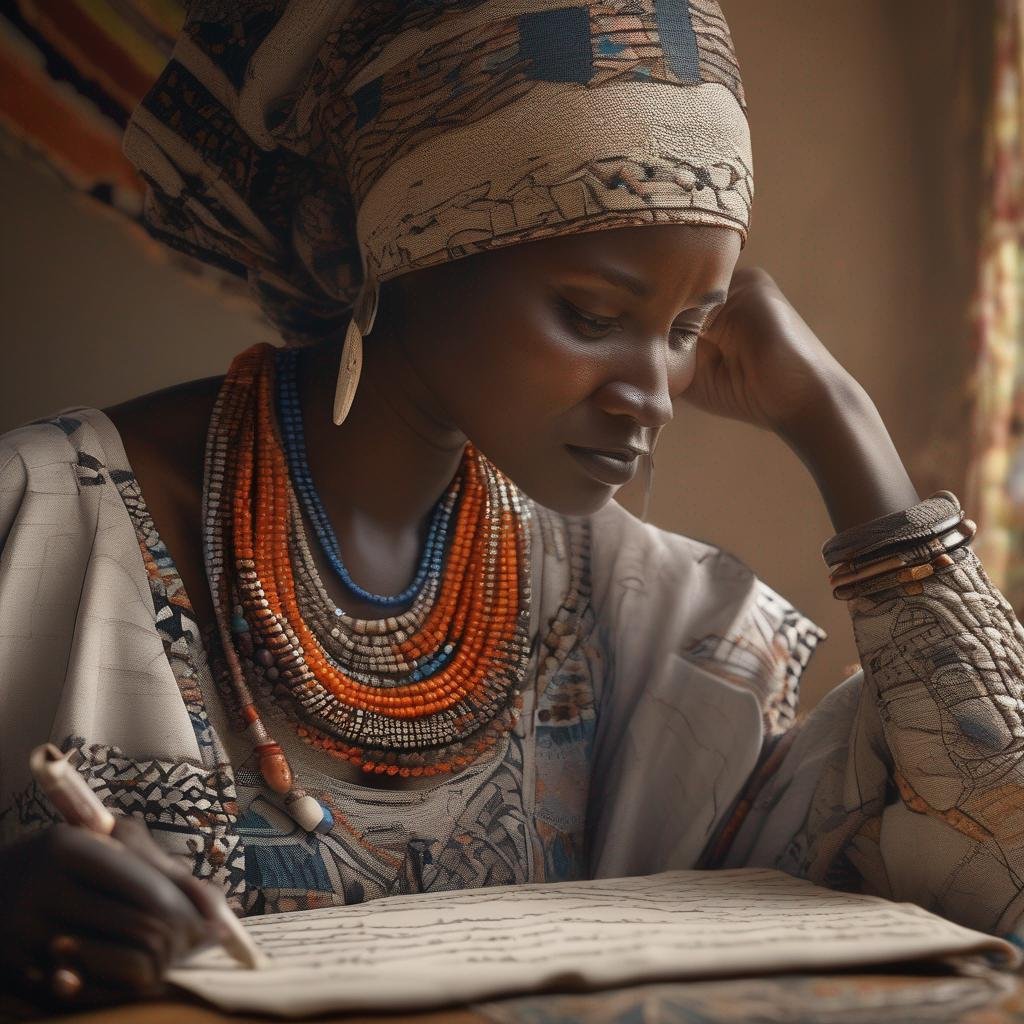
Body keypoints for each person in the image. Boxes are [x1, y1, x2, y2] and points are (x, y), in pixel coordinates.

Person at [2, 0, 1022, 1010]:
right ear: (340, 248)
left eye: (686, 327)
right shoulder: (42, 526)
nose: (654, 395)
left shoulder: (654, 617)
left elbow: (995, 870)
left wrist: (840, 425)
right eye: (591, 314)